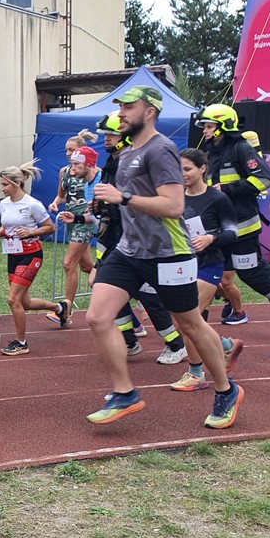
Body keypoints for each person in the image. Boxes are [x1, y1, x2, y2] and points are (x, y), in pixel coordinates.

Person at [86, 85, 242, 428]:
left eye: (129, 106)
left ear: (150, 111)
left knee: (189, 324)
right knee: (98, 317)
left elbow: (174, 206)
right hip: (130, 250)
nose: (122, 113)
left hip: (169, 254)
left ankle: (225, 389)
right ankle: (124, 393)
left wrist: (123, 197)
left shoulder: (162, 150)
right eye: (120, 106)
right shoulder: (127, 153)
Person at [88, 111, 188, 364]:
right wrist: (100, 208)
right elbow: (113, 205)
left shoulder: (151, 154)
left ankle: (179, 343)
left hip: (154, 243)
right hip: (120, 240)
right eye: (106, 135)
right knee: (103, 290)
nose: (107, 139)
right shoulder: (113, 164)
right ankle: (129, 340)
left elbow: (168, 204)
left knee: (170, 308)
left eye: (112, 134)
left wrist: (122, 200)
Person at [196, 103, 270, 333]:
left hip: (243, 229)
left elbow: (264, 179)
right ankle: (196, 327)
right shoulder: (210, 153)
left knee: (251, 273)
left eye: (209, 126)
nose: (205, 131)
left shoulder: (241, 148)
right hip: (217, 229)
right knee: (205, 274)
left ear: (222, 126)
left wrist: (228, 189)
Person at [170, 148, 244, 392]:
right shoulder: (176, 197)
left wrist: (211, 238)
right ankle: (225, 344)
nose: (183, 174)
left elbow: (233, 231)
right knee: (184, 321)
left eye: (188, 169)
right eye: (179, 169)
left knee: (188, 320)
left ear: (203, 168)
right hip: (181, 263)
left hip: (209, 264)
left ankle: (195, 373)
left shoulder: (217, 199)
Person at [0, 160, 66, 355]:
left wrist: (31, 231)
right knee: (24, 302)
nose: (2, 188)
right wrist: (0, 232)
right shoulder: (3, 204)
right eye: (1, 184)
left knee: (12, 299)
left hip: (31, 254)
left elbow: (50, 227)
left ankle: (21, 342)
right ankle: (60, 307)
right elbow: (7, 225)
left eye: (5, 184)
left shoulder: (33, 204)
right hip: (13, 254)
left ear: (17, 183)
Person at [49, 138, 99, 324]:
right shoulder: (64, 172)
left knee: (68, 263)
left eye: (72, 151)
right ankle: (118, 282)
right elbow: (61, 196)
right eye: (67, 151)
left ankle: (65, 311)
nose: (69, 154)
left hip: (85, 221)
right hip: (72, 220)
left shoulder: (96, 174)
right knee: (87, 267)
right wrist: (55, 203)